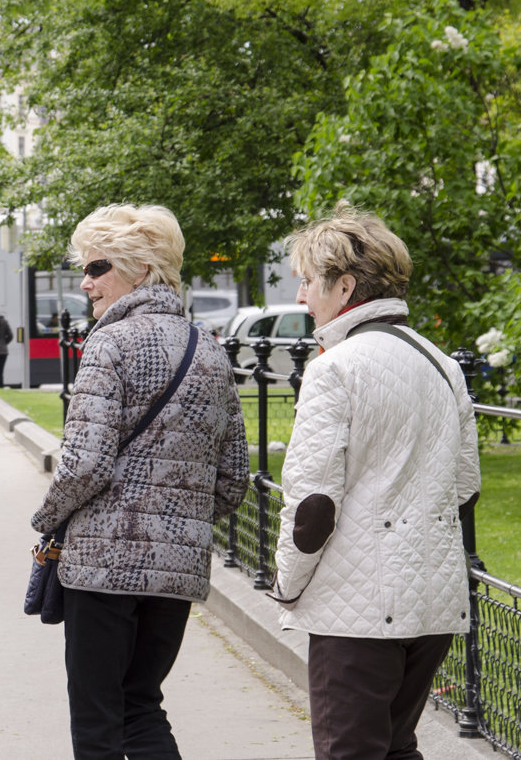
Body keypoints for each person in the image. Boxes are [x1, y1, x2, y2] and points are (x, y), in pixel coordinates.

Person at [30, 203, 248, 758]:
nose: (86, 282)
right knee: (141, 706)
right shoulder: (211, 352)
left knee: (98, 720)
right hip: (176, 572)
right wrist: (176, 523)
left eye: (97, 267)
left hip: (103, 569)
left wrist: (46, 519)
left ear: (141, 269)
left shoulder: (109, 343)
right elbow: (232, 482)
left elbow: (83, 464)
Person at [270, 203, 479, 759]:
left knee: (352, 750)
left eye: (308, 282)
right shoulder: (443, 365)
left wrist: (287, 585)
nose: (301, 296)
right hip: (432, 600)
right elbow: (465, 486)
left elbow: (312, 506)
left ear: (344, 287)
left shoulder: (334, 368)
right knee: (396, 747)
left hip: (356, 607)